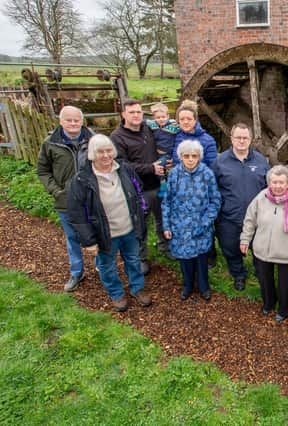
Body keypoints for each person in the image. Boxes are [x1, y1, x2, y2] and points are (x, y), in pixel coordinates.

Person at [67, 134, 150, 312]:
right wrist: (89, 241)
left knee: (134, 260)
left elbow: (138, 192)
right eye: (100, 152)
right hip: (105, 234)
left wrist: (142, 214)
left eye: (108, 151)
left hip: (128, 229)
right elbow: (77, 213)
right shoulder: (82, 179)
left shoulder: (124, 170)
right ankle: (116, 293)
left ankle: (137, 288)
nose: (105, 155)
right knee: (107, 265)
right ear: (92, 154)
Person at [240, 165, 288, 324]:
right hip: (263, 249)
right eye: (274, 182)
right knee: (265, 279)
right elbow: (250, 220)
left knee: (287, 283)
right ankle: (268, 303)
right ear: (269, 183)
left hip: (287, 250)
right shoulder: (261, 197)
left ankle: (286, 310)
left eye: (281, 182)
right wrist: (245, 239)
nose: (277, 186)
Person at [36, 106, 93, 292]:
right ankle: (77, 272)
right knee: (72, 237)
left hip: (91, 199)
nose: (73, 123)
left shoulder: (93, 139)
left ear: (82, 121)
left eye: (76, 120)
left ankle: (103, 268)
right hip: (66, 200)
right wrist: (56, 191)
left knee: (98, 233)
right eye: (69, 120)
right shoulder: (51, 143)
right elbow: (43, 170)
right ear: (61, 121)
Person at [111, 99, 166, 274]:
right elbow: (120, 164)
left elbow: (166, 131)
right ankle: (141, 258)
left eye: (139, 112)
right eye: (132, 112)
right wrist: (150, 168)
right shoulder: (117, 137)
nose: (136, 115)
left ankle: (164, 246)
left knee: (162, 219)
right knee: (139, 225)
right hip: (137, 190)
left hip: (157, 185)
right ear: (123, 115)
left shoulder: (147, 129)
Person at [162, 140, 221, 301]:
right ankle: (187, 285)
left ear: (199, 157)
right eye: (186, 156)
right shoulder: (174, 174)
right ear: (180, 157)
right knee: (184, 259)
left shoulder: (207, 174)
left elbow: (215, 201)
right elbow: (167, 201)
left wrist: (205, 222)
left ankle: (204, 287)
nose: (190, 159)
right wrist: (166, 225)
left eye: (194, 156)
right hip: (179, 225)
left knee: (201, 259)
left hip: (201, 225)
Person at [213, 123, 269, 289]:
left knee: (258, 249)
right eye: (238, 137)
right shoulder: (219, 162)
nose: (241, 141)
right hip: (228, 218)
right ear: (231, 138)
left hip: (257, 218)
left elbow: (269, 188)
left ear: (250, 139)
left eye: (245, 138)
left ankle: (261, 273)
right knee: (230, 248)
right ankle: (238, 274)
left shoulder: (261, 161)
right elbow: (212, 189)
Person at [172, 100, 217, 170]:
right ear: (178, 121)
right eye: (182, 119)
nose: (185, 122)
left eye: (189, 119)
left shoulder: (208, 140)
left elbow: (213, 167)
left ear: (195, 120)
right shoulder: (176, 136)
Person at [147, 102, 179, 199]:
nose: (161, 119)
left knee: (159, 167)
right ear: (154, 118)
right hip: (157, 153)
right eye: (158, 117)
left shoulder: (173, 126)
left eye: (163, 117)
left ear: (168, 116)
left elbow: (182, 129)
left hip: (167, 154)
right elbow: (144, 121)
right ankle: (164, 185)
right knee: (158, 169)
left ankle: (165, 188)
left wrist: (176, 122)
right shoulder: (153, 125)